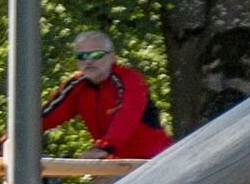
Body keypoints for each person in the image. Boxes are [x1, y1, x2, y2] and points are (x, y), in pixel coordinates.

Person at [29, 31, 170, 162]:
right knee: (100, 176)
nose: (89, 61)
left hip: (152, 163)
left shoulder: (130, 79)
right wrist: (10, 139)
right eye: (82, 56)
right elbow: (44, 117)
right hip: (112, 164)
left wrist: (104, 148)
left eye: (97, 55)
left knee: (102, 175)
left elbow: (127, 115)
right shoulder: (77, 85)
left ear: (112, 57)